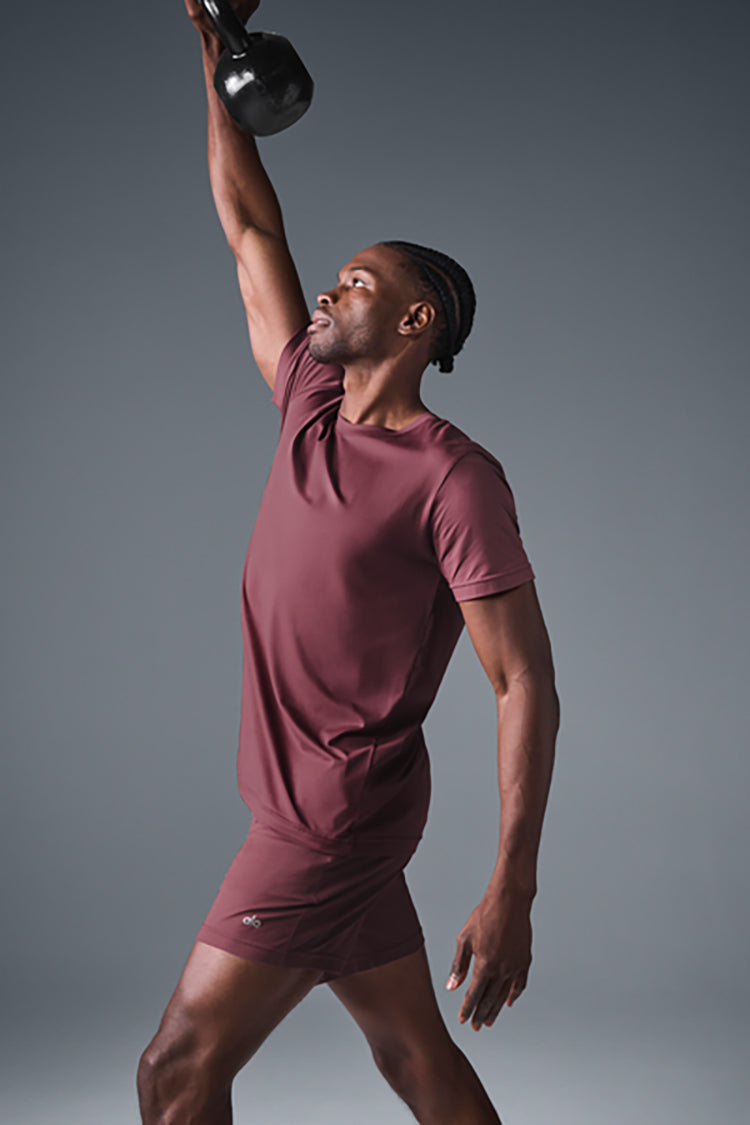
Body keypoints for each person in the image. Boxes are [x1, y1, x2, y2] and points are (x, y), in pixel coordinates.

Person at [137, 2, 560, 1122]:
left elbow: (523, 678)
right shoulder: (309, 405)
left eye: (358, 283)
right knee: (415, 1058)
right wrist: (214, 53)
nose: (328, 291)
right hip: (324, 811)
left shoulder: (453, 478)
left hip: (327, 820)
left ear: (417, 323)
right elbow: (249, 229)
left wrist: (512, 886)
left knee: (176, 1071)